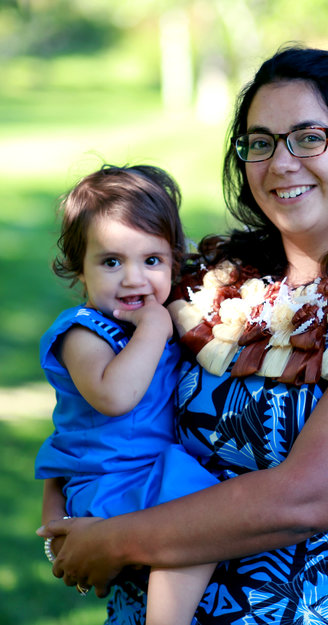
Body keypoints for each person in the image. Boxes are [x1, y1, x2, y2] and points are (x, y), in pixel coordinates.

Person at [37, 46, 328, 625]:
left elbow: (304, 500)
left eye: (309, 137)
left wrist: (113, 541)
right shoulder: (211, 288)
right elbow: (104, 406)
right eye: (260, 142)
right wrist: (62, 506)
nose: (280, 163)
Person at [34, 164, 218, 625]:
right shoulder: (85, 332)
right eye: (112, 261)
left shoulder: (145, 320)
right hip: (111, 483)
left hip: (137, 476)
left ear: (174, 261)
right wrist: (155, 328)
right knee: (202, 515)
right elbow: (115, 397)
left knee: (197, 521)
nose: (134, 279)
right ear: (80, 270)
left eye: (151, 260)